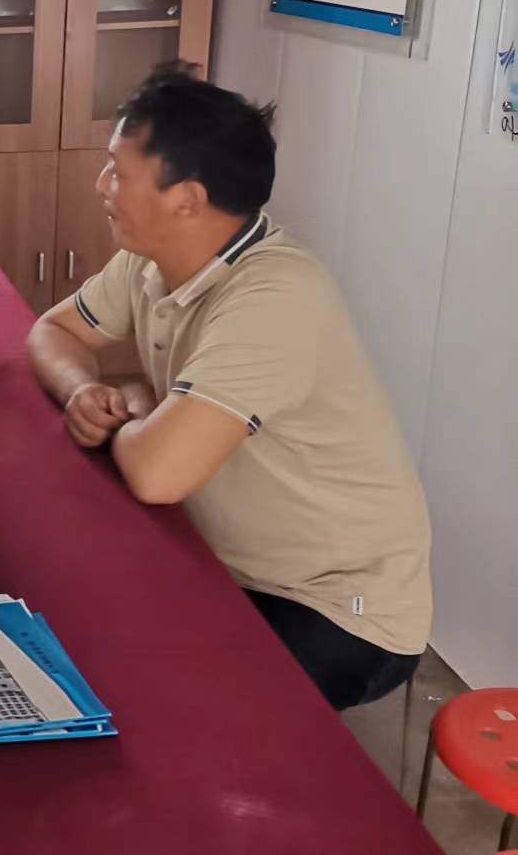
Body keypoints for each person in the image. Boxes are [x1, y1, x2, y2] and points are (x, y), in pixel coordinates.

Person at [26, 67, 431, 710]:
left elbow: (158, 473)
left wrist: (135, 409)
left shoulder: (276, 295)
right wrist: (82, 390)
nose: (102, 185)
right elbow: (54, 332)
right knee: (74, 617)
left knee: (150, 706)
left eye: (118, 173)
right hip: (229, 560)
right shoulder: (150, 256)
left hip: (337, 607)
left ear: (187, 199)